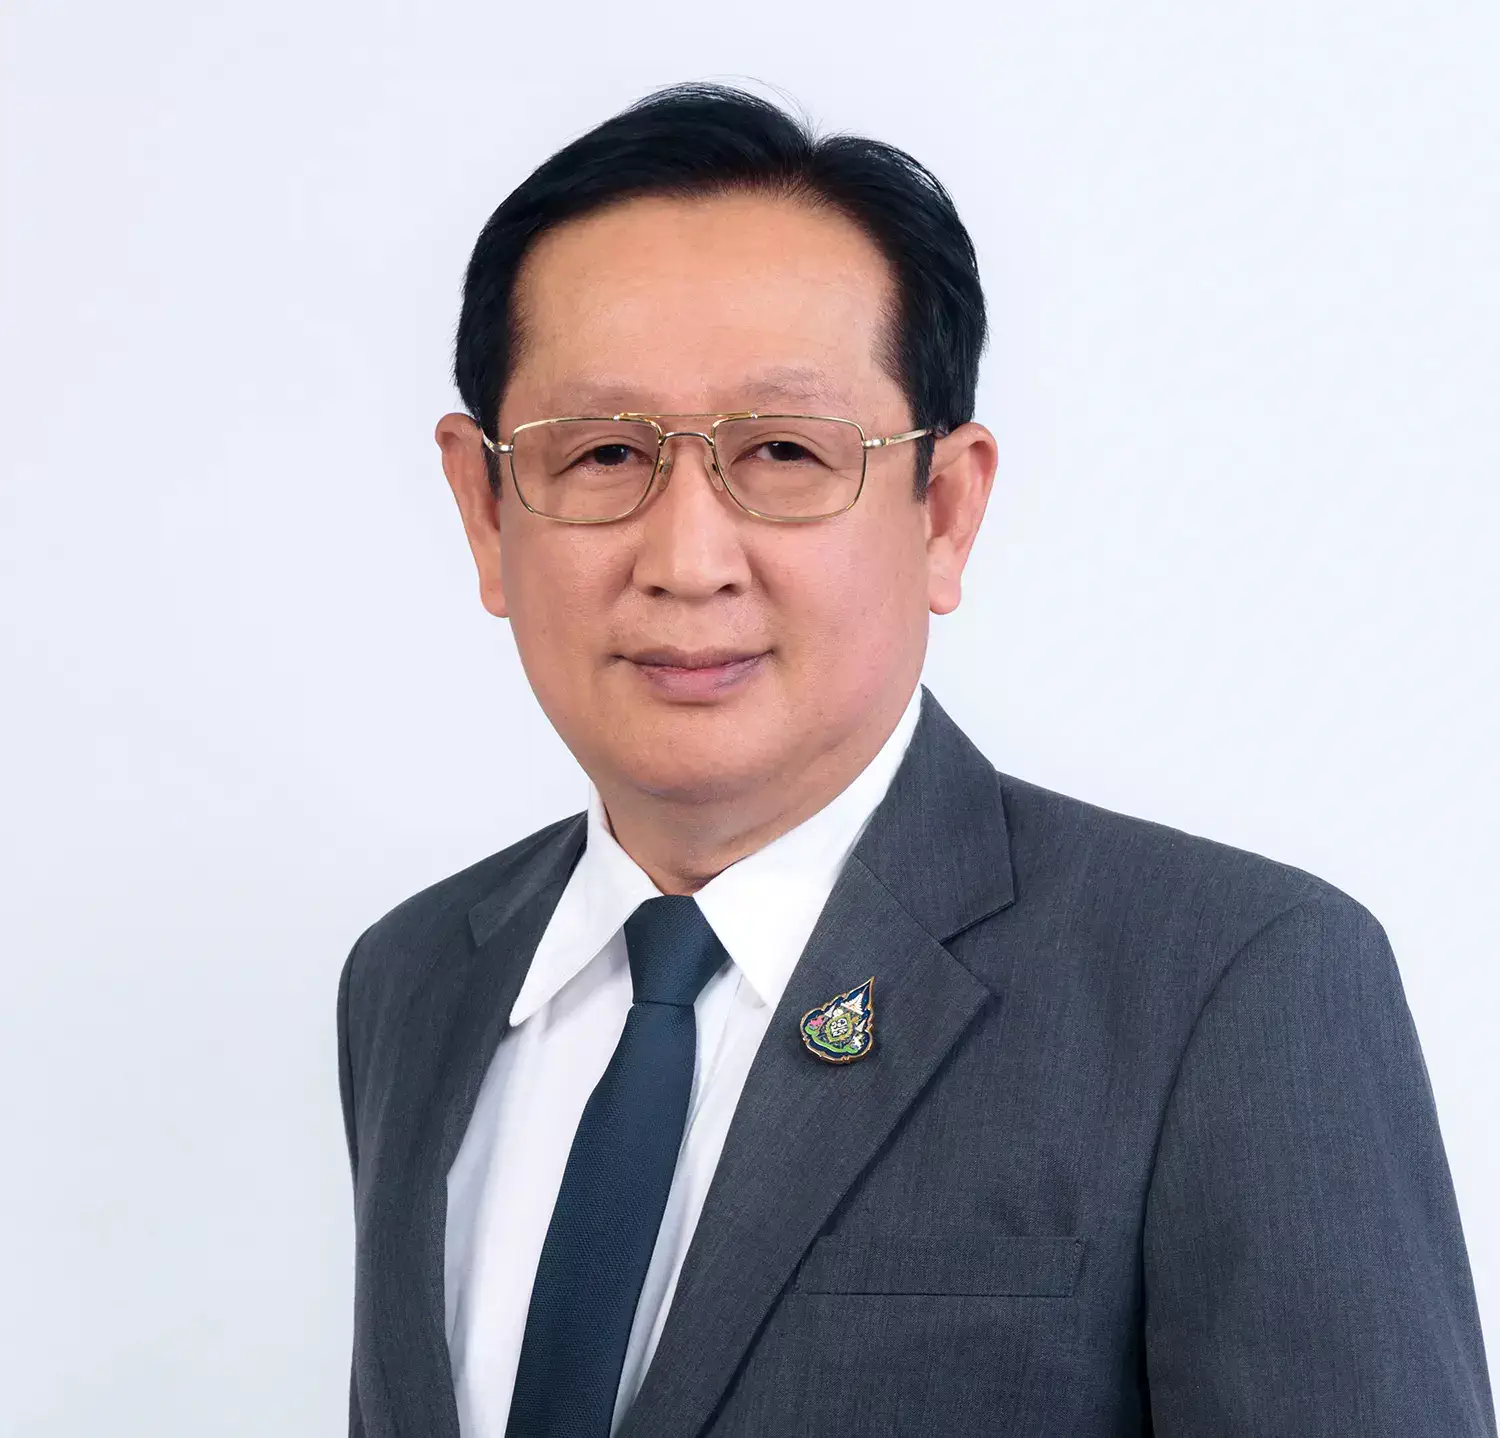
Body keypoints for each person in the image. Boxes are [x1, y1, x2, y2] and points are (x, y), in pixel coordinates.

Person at [336, 83, 1495, 1438]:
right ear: (486, 511)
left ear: (942, 509)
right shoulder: (415, 981)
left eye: (784, 450)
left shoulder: (1230, 983)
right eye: (600, 453)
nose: (688, 561)